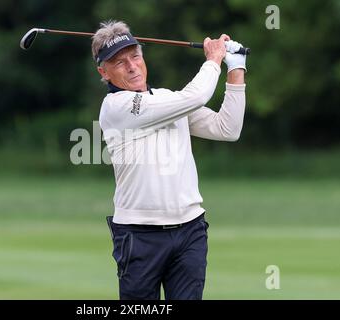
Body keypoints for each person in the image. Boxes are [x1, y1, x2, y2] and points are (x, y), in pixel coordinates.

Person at [92, 20, 246, 300]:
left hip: (190, 230)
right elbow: (197, 95)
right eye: (119, 62)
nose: (132, 66)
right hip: (138, 236)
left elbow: (228, 128)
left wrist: (236, 66)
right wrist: (214, 59)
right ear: (103, 71)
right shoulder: (115, 108)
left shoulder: (167, 100)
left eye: (135, 56)